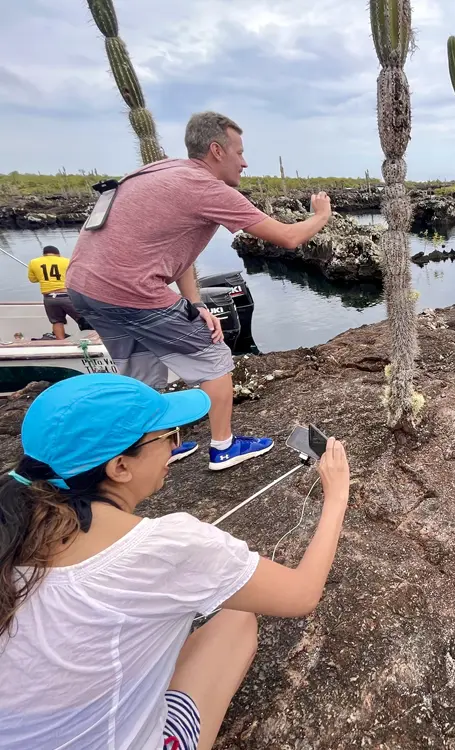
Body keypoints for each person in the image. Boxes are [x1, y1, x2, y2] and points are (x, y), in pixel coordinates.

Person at [0, 373, 351, 750]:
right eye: (168, 437)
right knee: (237, 620)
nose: (175, 447)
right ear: (119, 467)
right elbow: (302, 594)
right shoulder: (169, 546)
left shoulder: (13, 522)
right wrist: (336, 495)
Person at [66, 111, 333, 471]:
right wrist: (320, 216)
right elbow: (288, 237)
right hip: (131, 289)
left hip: (85, 287)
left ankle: (152, 447)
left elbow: (174, 255)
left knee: (140, 369)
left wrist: (194, 305)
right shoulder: (207, 188)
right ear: (216, 150)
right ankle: (223, 447)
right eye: (239, 152)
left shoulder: (159, 171)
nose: (245, 162)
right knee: (215, 358)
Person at [26, 245, 92, 340]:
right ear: (58, 254)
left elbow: (33, 279)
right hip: (66, 296)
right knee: (83, 318)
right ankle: (90, 340)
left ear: (44, 254)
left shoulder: (34, 262)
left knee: (56, 322)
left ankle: (61, 343)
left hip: (49, 298)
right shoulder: (66, 261)